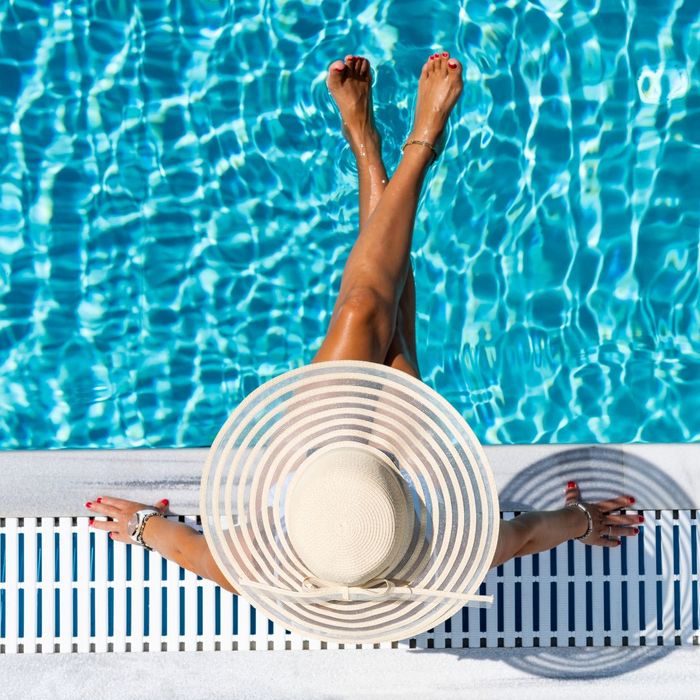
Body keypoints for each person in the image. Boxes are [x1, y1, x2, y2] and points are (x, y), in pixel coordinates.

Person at [84, 52, 642, 597]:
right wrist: (584, 520)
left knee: (362, 307)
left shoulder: (264, 564)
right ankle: (407, 148)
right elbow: (524, 536)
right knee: (391, 323)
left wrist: (143, 527)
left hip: (315, 464)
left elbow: (199, 555)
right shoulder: (444, 558)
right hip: (404, 481)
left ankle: (381, 150)